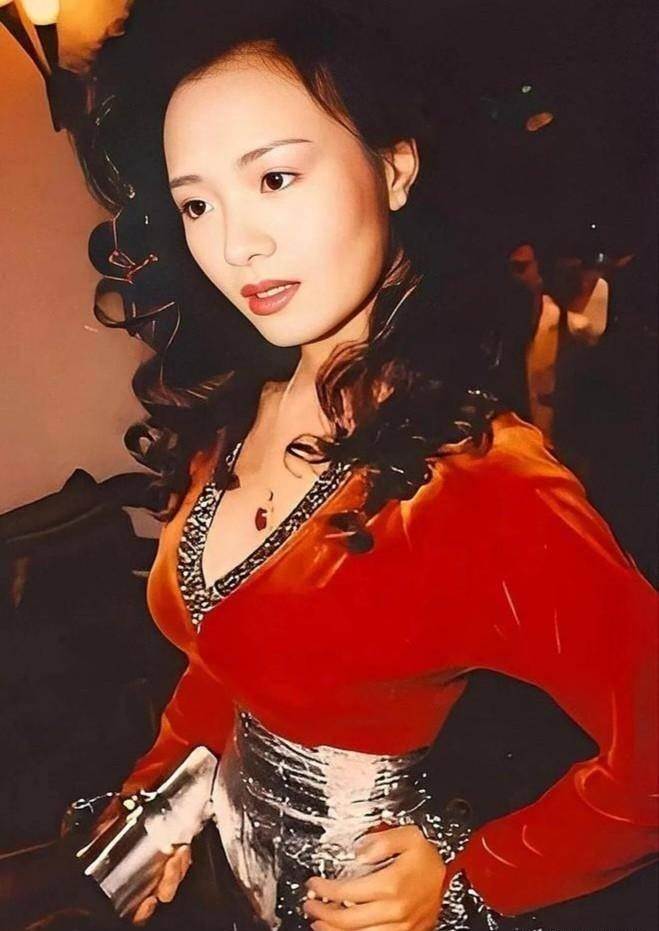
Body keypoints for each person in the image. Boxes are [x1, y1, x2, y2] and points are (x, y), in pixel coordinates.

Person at [67, 2, 658, 929]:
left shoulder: (484, 484)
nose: (234, 244)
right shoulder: (233, 415)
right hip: (233, 887)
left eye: (274, 177)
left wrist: (475, 873)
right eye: (196, 203)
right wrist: (160, 795)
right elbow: (228, 653)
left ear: (394, 167)